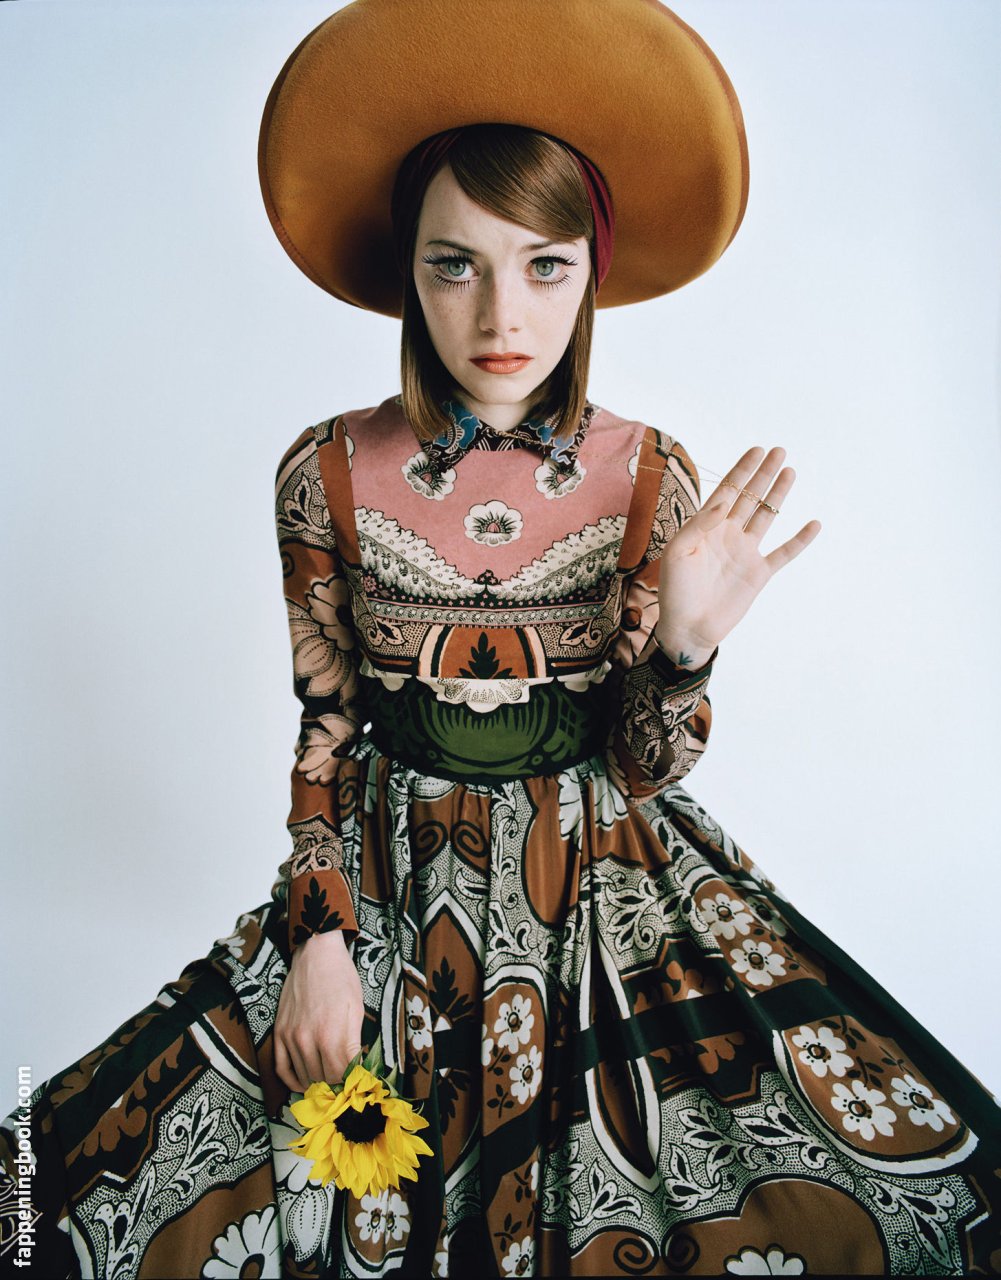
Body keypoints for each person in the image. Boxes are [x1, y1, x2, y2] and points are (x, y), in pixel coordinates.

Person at [2, 1, 998, 1276]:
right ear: (405, 270)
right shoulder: (324, 471)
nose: (498, 316)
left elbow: (643, 764)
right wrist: (317, 940)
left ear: (592, 270)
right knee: (73, 1197)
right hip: (379, 886)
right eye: (453, 264)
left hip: (598, 887)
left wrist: (685, 649)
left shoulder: (650, 476)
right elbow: (324, 722)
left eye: (543, 265)